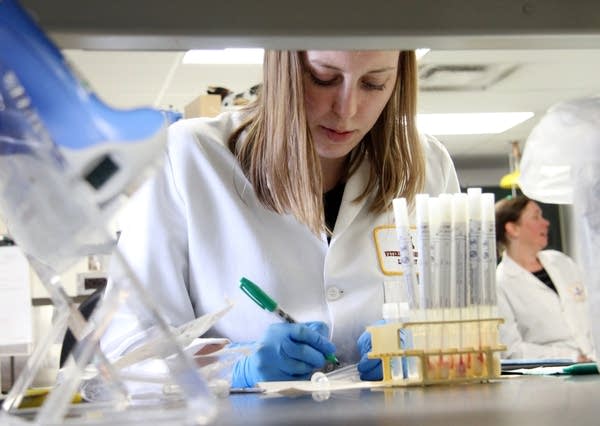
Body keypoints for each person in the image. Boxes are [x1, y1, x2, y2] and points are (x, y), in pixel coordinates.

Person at [101, 50, 460, 388]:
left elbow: (470, 330)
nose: (347, 109)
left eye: (373, 84)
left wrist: (430, 345)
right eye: (323, 78)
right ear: (283, 70)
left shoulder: (429, 166)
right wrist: (234, 368)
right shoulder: (188, 157)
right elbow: (127, 354)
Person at [495, 195, 594, 361]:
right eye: (536, 217)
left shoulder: (561, 262)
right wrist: (571, 356)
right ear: (513, 229)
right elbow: (512, 349)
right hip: (553, 373)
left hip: (593, 360)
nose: (546, 222)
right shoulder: (501, 283)